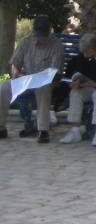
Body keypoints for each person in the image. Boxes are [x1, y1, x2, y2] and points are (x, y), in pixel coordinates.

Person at [0, 15, 63, 144]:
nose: (42, 38)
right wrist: (16, 71)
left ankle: (43, 130)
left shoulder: (57, 46)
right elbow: (15, 62)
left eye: (44, 34)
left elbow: (54, 71)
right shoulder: (25, 42)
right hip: (25, 80)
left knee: (43, 88)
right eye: (39, 34)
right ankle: (1, 126)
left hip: (45, 82)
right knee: (3, 87)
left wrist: (40, 78)